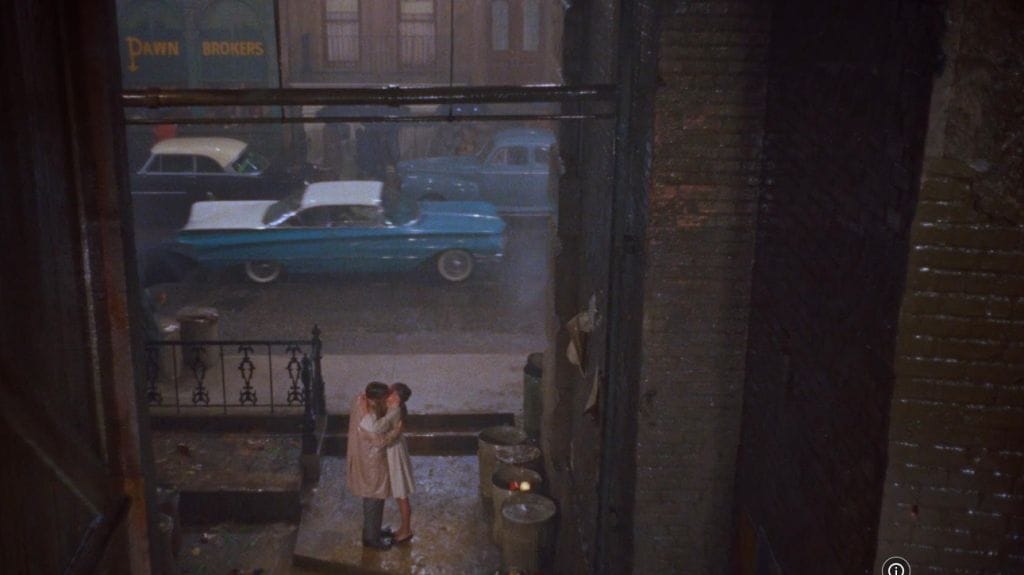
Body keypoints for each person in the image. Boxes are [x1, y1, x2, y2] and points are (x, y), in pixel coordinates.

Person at [347, 382, 402, 550]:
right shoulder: (368, 419)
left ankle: (374, 530)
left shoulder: (361, 401)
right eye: (384, 399)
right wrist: (396, 431)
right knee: (374, 497)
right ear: (376, 400)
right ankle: (371, 539)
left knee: (374, 496)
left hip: (366, 457)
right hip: (371, 461)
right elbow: (379, 441)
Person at [387, 382, 415, 543]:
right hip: (396, 451)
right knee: (399, 494)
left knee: (400, 494)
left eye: (390, 393)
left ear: (396, 397)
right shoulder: (396, 409)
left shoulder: (394, 411)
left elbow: (384, 431)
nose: (387, 395)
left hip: (394, 454)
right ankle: (404, 528)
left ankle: (406, 530)